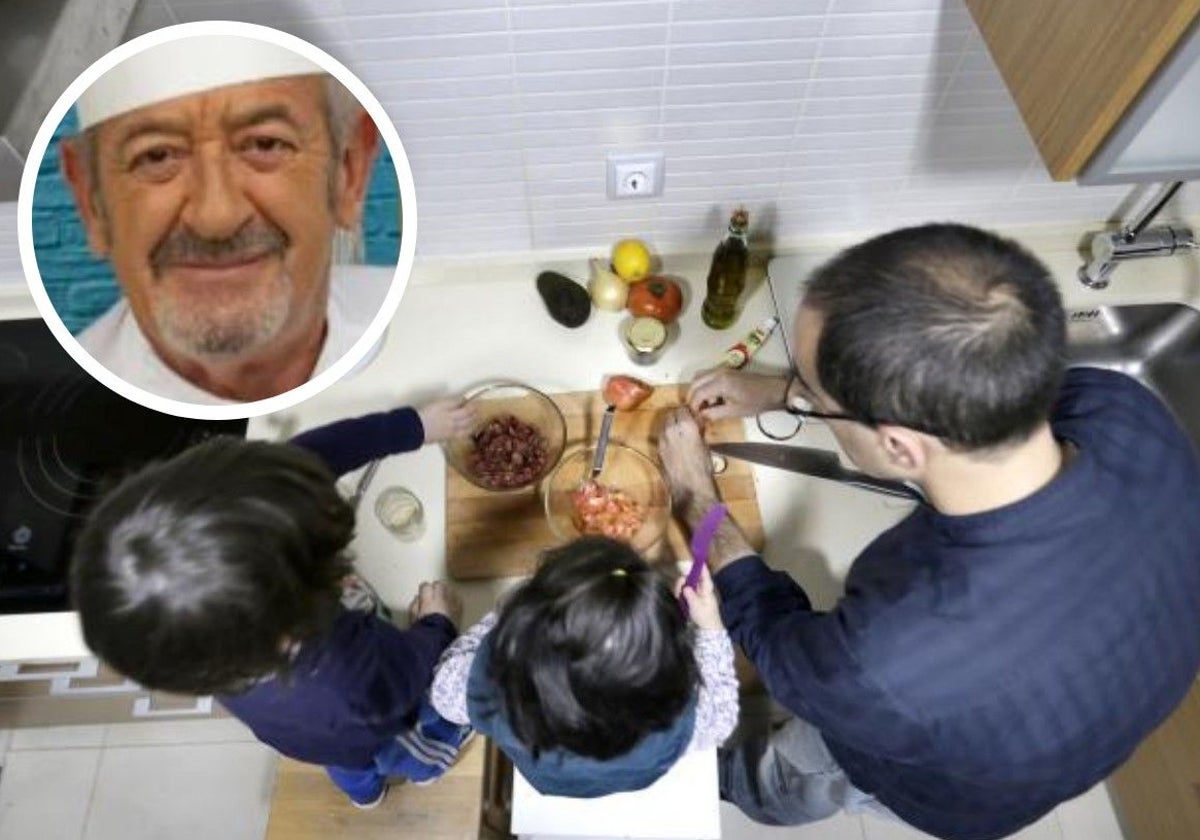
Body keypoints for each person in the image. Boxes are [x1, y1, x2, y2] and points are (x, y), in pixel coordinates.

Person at [658, 223, 1200, 840]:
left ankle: (739, 785)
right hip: (1086, 701)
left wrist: (694, 497)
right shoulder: (1122, 408)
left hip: (953, 789)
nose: (803, 395)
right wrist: (788, 393)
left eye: (813, 390)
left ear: (899, 444)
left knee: (798, 777)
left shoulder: (889, 656)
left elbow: (779, 645)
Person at [71, 395, 477, 808]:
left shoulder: (210, 636)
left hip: (302, 729)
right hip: (366, 730)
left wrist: (412, 427)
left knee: (346, 771)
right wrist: (436, 625)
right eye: (332, 566)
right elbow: (409, 675)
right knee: (384, 753)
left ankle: (364, 795)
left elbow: (307, 460)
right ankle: (419, 769)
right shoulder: (349, 679)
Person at [58, 33, 387, 404]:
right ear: (91, 200)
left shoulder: (409, 319)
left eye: (264, 144)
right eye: (157, 156)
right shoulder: (78, 396)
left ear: (350, 172)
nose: (216, 218)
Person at [429, 536, 738, 798]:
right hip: (633, 778)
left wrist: (498, 616)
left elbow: (442, 694)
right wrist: (710, 626)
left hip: (549, 780)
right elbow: (722, 718)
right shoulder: (682, 718)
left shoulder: (494, 688)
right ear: (677, 672)